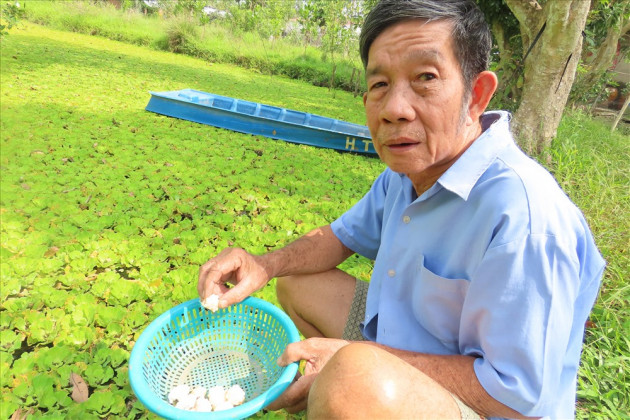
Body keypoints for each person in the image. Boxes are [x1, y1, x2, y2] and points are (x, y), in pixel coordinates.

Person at [198, 0, 606, 418]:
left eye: (425, 77)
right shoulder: (408, 172)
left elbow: (517, 393)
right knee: (299, 283)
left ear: (476, 95)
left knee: (351, 379)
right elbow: (338, 238)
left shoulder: (526, 217)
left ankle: (349, 393)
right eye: (380, 85)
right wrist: (266, 263)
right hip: (407, 344)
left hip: (489, 406)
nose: (394, 109)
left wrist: (358, 360)